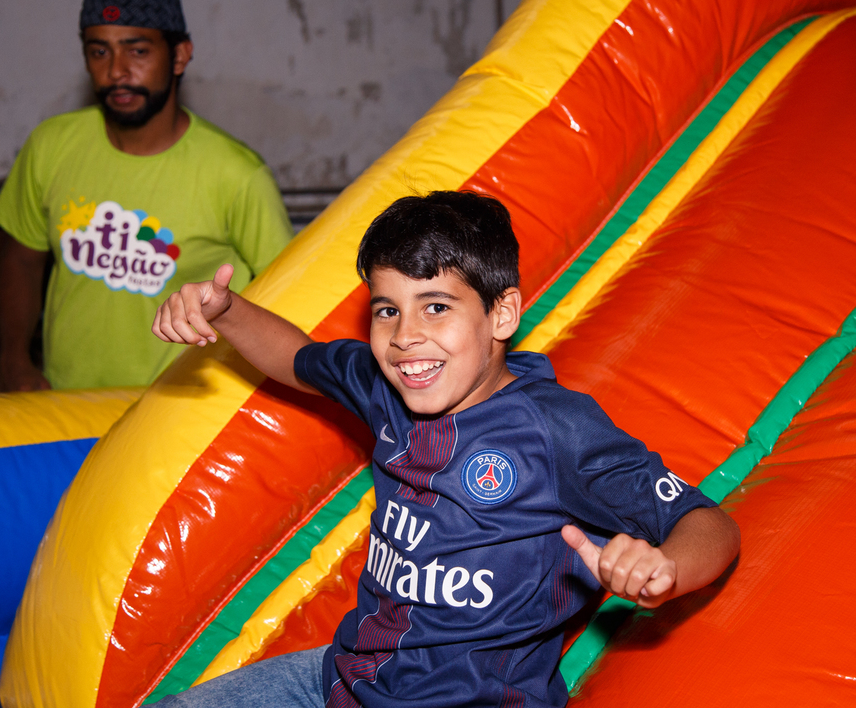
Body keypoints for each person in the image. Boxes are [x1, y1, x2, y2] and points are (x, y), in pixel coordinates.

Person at [151, 191, 740, 708]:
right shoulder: (387, 385)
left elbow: (709, 524)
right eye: (388, 310)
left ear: (501, 313)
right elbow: (298, 360)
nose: (406, 335)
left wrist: (667, 568)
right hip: (345, 681)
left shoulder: (555, 429)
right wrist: (225, 310)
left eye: (436, 306)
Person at [0, 0, 293, 390]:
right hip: (63, 411)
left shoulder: (238, 175)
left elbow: (289, 300)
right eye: (100, 51)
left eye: (137, 51)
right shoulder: (50, 146)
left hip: (181, 420)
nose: (116, 71)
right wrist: (14, 362)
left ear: (180, 55)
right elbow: (21, 259)